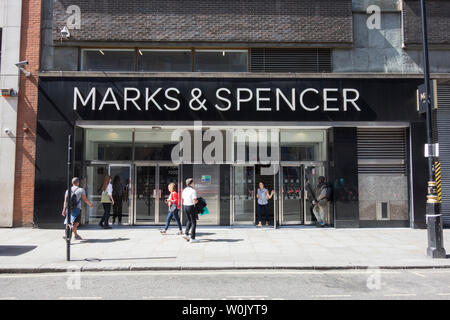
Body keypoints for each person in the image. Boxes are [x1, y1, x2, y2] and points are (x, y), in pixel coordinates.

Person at [182, 178, 199, 243]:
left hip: (185, 206)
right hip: (191, 206)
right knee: (194, 222)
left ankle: (186, 234)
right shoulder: (193, 191)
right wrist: (198, 201)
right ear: (191, 183)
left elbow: (183, 198)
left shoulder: (184, 190)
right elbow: (194, 200)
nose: (194, 183)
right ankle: (192, 238)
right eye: (193, 182)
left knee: (189, 220)